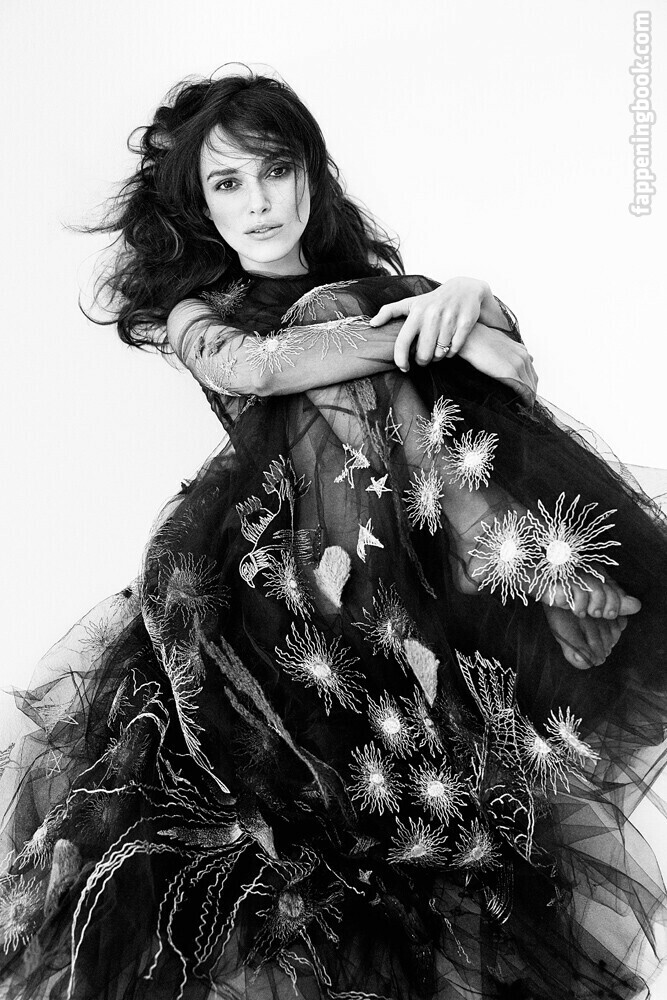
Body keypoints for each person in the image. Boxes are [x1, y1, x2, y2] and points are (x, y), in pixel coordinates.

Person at [1, 68, 666, 1000]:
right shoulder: (200, 311)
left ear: (311, 174)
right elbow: (256, 367)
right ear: (200, 206)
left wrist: (465, 298)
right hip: (275, 573)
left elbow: (510, 379)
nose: (258, 202)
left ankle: (492, 550)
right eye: (228, 183)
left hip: (394, 561)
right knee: (336, 316)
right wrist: (441, 325)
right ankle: (500, 550)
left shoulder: (382, 291)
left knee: (445, 842)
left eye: (275, 170)